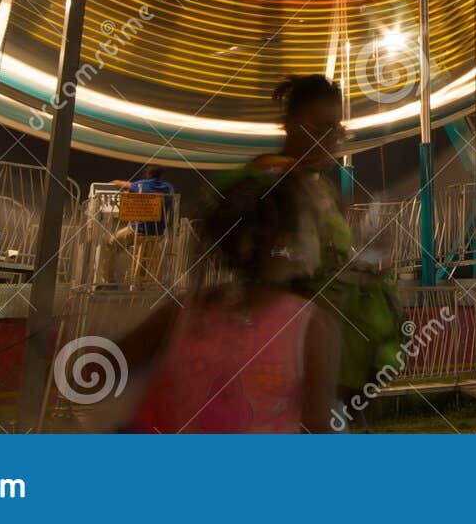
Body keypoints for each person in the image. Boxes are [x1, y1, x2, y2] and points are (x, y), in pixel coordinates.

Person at [241, 75, 403, 425]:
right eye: (318, 129)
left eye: (335, 129)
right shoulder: (267, 181)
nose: (329, 140)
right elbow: (265, 262)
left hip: (334, 357)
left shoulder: (323, 189)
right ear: (289, 126)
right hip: (286, 356)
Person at [127, 168, 339, 432]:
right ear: (286, 241)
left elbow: (106, 363)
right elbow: (318, 425)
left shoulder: (183, 311)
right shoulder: (310, 327)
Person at [108, 164, 176, 284]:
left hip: (137, 230)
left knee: (111, 242)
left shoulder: (140, 185)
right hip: (157, 232)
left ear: (147, 174)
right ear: (161, 176)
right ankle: (140, 283)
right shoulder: (168, 187)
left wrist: (118, 185)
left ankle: (109, 279)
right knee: (145, 248)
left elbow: (117, 183)